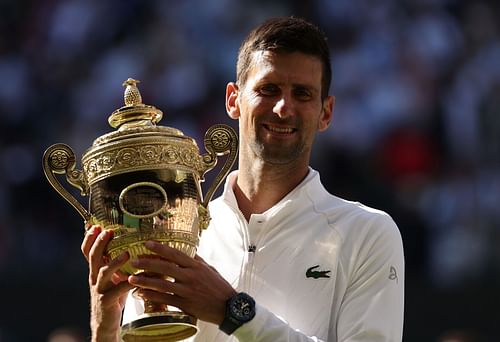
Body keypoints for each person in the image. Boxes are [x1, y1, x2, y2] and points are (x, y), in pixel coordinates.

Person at [81, 16, 404, 341]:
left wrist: (232, 311)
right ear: (233, 100)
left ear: (326, 112)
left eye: (303, 94)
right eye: (268, 89)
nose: (283, 107)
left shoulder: (368, 233)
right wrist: (105, 326)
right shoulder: (171, 233)